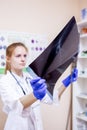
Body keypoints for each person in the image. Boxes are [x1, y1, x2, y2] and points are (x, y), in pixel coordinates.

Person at [0, 42, 78, 130]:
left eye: (25, 56)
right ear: (8, 59)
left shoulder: (30, 78)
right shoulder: (5, 81)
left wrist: (66, 83)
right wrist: (35, 95)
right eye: (18, 56)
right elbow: (17, 105)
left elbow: (51, 98)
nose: (23, 59)